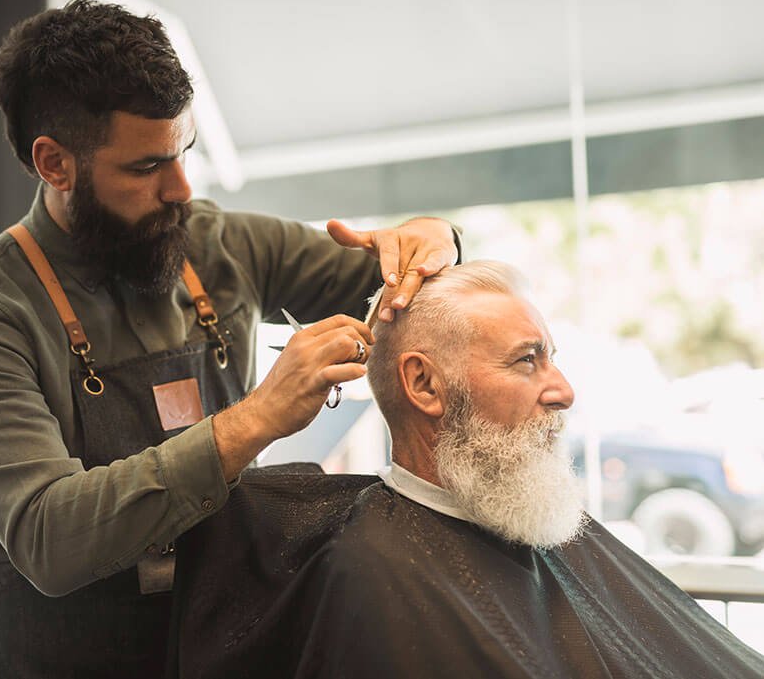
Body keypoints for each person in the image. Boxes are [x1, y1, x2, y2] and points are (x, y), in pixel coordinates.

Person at [0, 0, 459, 678]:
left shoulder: (217, 243)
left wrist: (435, 240)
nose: (180, 188)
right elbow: (50, 535)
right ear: (54, 164)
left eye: (184, 153)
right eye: (146, 167)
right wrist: (256, 418)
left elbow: (400, 277)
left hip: (234, 647)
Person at [169, 261, 764, 679]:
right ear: (424, 384)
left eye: (551, 358)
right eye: (527, 361)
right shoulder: (374, 577)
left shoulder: (539, 531)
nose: (563, 391)